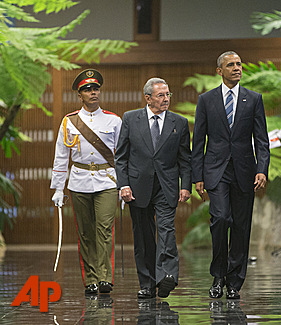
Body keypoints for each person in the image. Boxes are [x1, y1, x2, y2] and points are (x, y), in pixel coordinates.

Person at [191, 51, 270, 300]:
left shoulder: (254, 99)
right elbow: (198, 140)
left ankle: (234, 282)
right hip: (216, 171)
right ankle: (218, 276)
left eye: (238, 64)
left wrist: (262, 169)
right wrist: (197, 176)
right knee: (221, 218)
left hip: (245, 171)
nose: (236, 68)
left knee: (241, 227)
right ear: (219, 71)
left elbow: (262, 140)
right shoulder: (206, 100)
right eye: (230, 65)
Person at [114, 78, 191, 299]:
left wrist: (185, 185)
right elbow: (121, 156)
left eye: (168, 95)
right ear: (148, 98)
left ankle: (167, 276)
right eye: (161, 95)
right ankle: (147, 283)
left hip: (167, 186)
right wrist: (124, 185)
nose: (166, 99)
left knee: (167, 230)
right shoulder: (130, 118)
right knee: (144, 236)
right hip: (137, 187)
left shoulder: (180, 122)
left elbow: (185, 158)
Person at [50, 69, 122, 295]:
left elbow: (121, 155)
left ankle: (105, 277)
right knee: (86, 232)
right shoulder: (69, 122)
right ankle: (90, 278)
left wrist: (124, 184)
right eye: (87, 90)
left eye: (95, 88)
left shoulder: (114, 120)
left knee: (104, 229)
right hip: (79, 181)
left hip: (107, 181)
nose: (93, 93)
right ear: (79, 95)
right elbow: (61, 157)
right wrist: (58, 188)